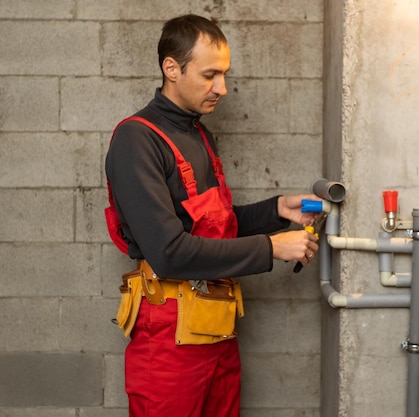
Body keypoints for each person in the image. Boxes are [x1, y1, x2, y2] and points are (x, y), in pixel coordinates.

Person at [105, 14, 319, 417]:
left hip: (217, 327)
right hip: (169, 340)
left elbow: (213, 225)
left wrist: (277, 211)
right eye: (209, 75)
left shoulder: (201, 135)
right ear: (172, 68)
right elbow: (169, 251)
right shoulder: (137, 139)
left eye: (224, 75)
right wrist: (271, 248)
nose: (221, 88)